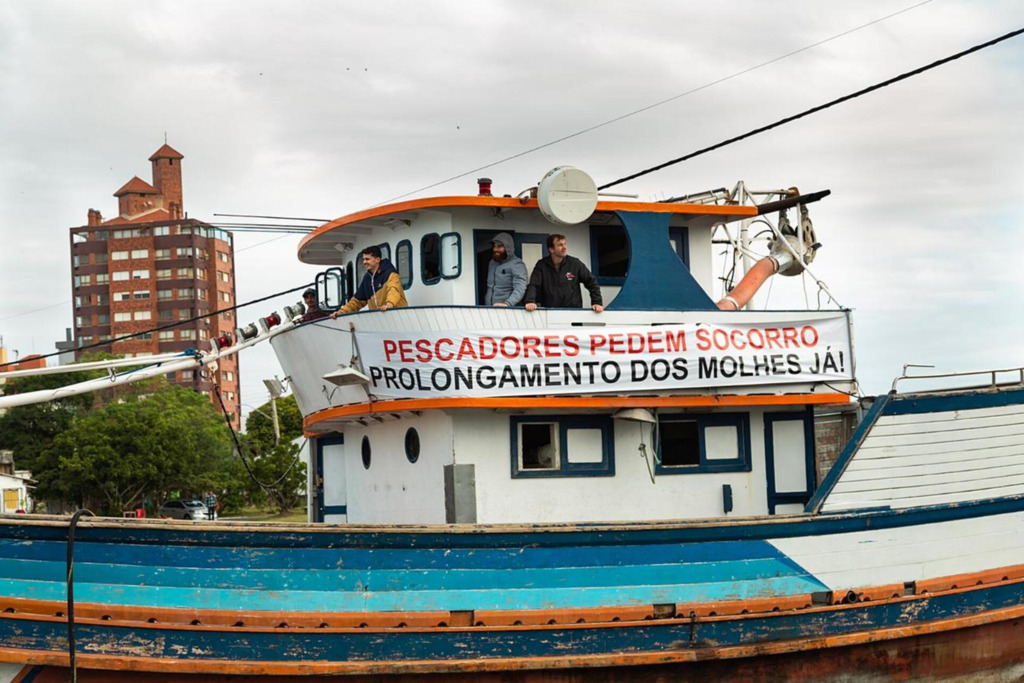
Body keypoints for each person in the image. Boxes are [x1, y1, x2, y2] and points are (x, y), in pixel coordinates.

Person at [524, 234, 604, 312]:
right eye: (560, 245)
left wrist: (597, 302)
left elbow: (592, 282)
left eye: (565, 244)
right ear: (551, 249)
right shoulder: (541, 265)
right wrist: (530, 301)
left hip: (573, 312)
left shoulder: (575, 263)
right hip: (549, 313)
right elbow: (534, 285)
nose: (564, 247)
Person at [330, 246, 408, 317]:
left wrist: (389, 304)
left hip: (398, 317)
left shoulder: (390, 273)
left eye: (367, 259)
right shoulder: (367, 279)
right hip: (381, 319)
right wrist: (341, 312)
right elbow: (357, 301)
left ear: (377, 259)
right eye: (363, 259)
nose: (364, 262)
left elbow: (394, 290)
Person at [485, 232, 528, 307]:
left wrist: (508, 304)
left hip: (508, 311)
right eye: (494, 246)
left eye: (499, 247)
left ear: (508, 248)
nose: (496, 249)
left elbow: (520, 287)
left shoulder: (517, 264)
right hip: (489, 309)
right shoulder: (492, 263)